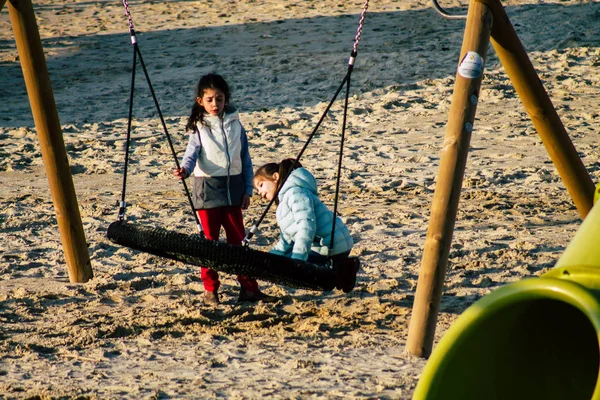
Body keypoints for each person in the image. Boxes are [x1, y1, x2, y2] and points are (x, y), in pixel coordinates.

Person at [174, 73, 277, 305]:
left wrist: (247, 190)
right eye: (209, 99)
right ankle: (211, 290)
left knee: (237, 242)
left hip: (234, 190)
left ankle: (249, 288)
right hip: (207, 189)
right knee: (209, 243)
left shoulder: (235, 124)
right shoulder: (198, 126)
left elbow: (245, 158)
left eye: (219, 99)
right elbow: (191, 155)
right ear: (200, 101)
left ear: (225, 99)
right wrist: (185, 170)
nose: (215, 104)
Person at [253, 159, 360, 292]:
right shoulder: (284, 202)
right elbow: (286, 239)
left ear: (275, 177)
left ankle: (342, 269)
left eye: (261, 185)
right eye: (257, 190)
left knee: (293, 268)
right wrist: (269, 258)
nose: (259, 192)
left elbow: (306, 227)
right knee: (281, 262)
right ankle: (339, 270)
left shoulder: (295, 193)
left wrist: (298, 260)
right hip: (324, 245)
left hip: (333, 246)